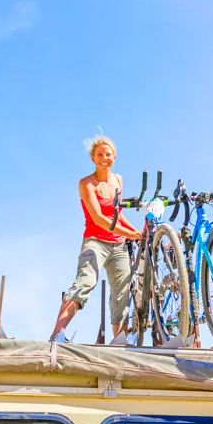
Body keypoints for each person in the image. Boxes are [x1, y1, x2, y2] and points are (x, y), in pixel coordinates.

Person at [49, 136, 142, 341]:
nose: (104, 158)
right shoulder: (86, 184)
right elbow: (99, 218)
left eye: (108, 154)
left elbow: (117, 213)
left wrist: (137, 233)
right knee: (85, 281)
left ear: (114, 157)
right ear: (93, 158)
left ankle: (120, 341)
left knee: (122, 294)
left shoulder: (118, 180)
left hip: (118, 245)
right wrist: (132, 234)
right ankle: (58, 334)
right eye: (99, 154)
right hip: (95, 241)